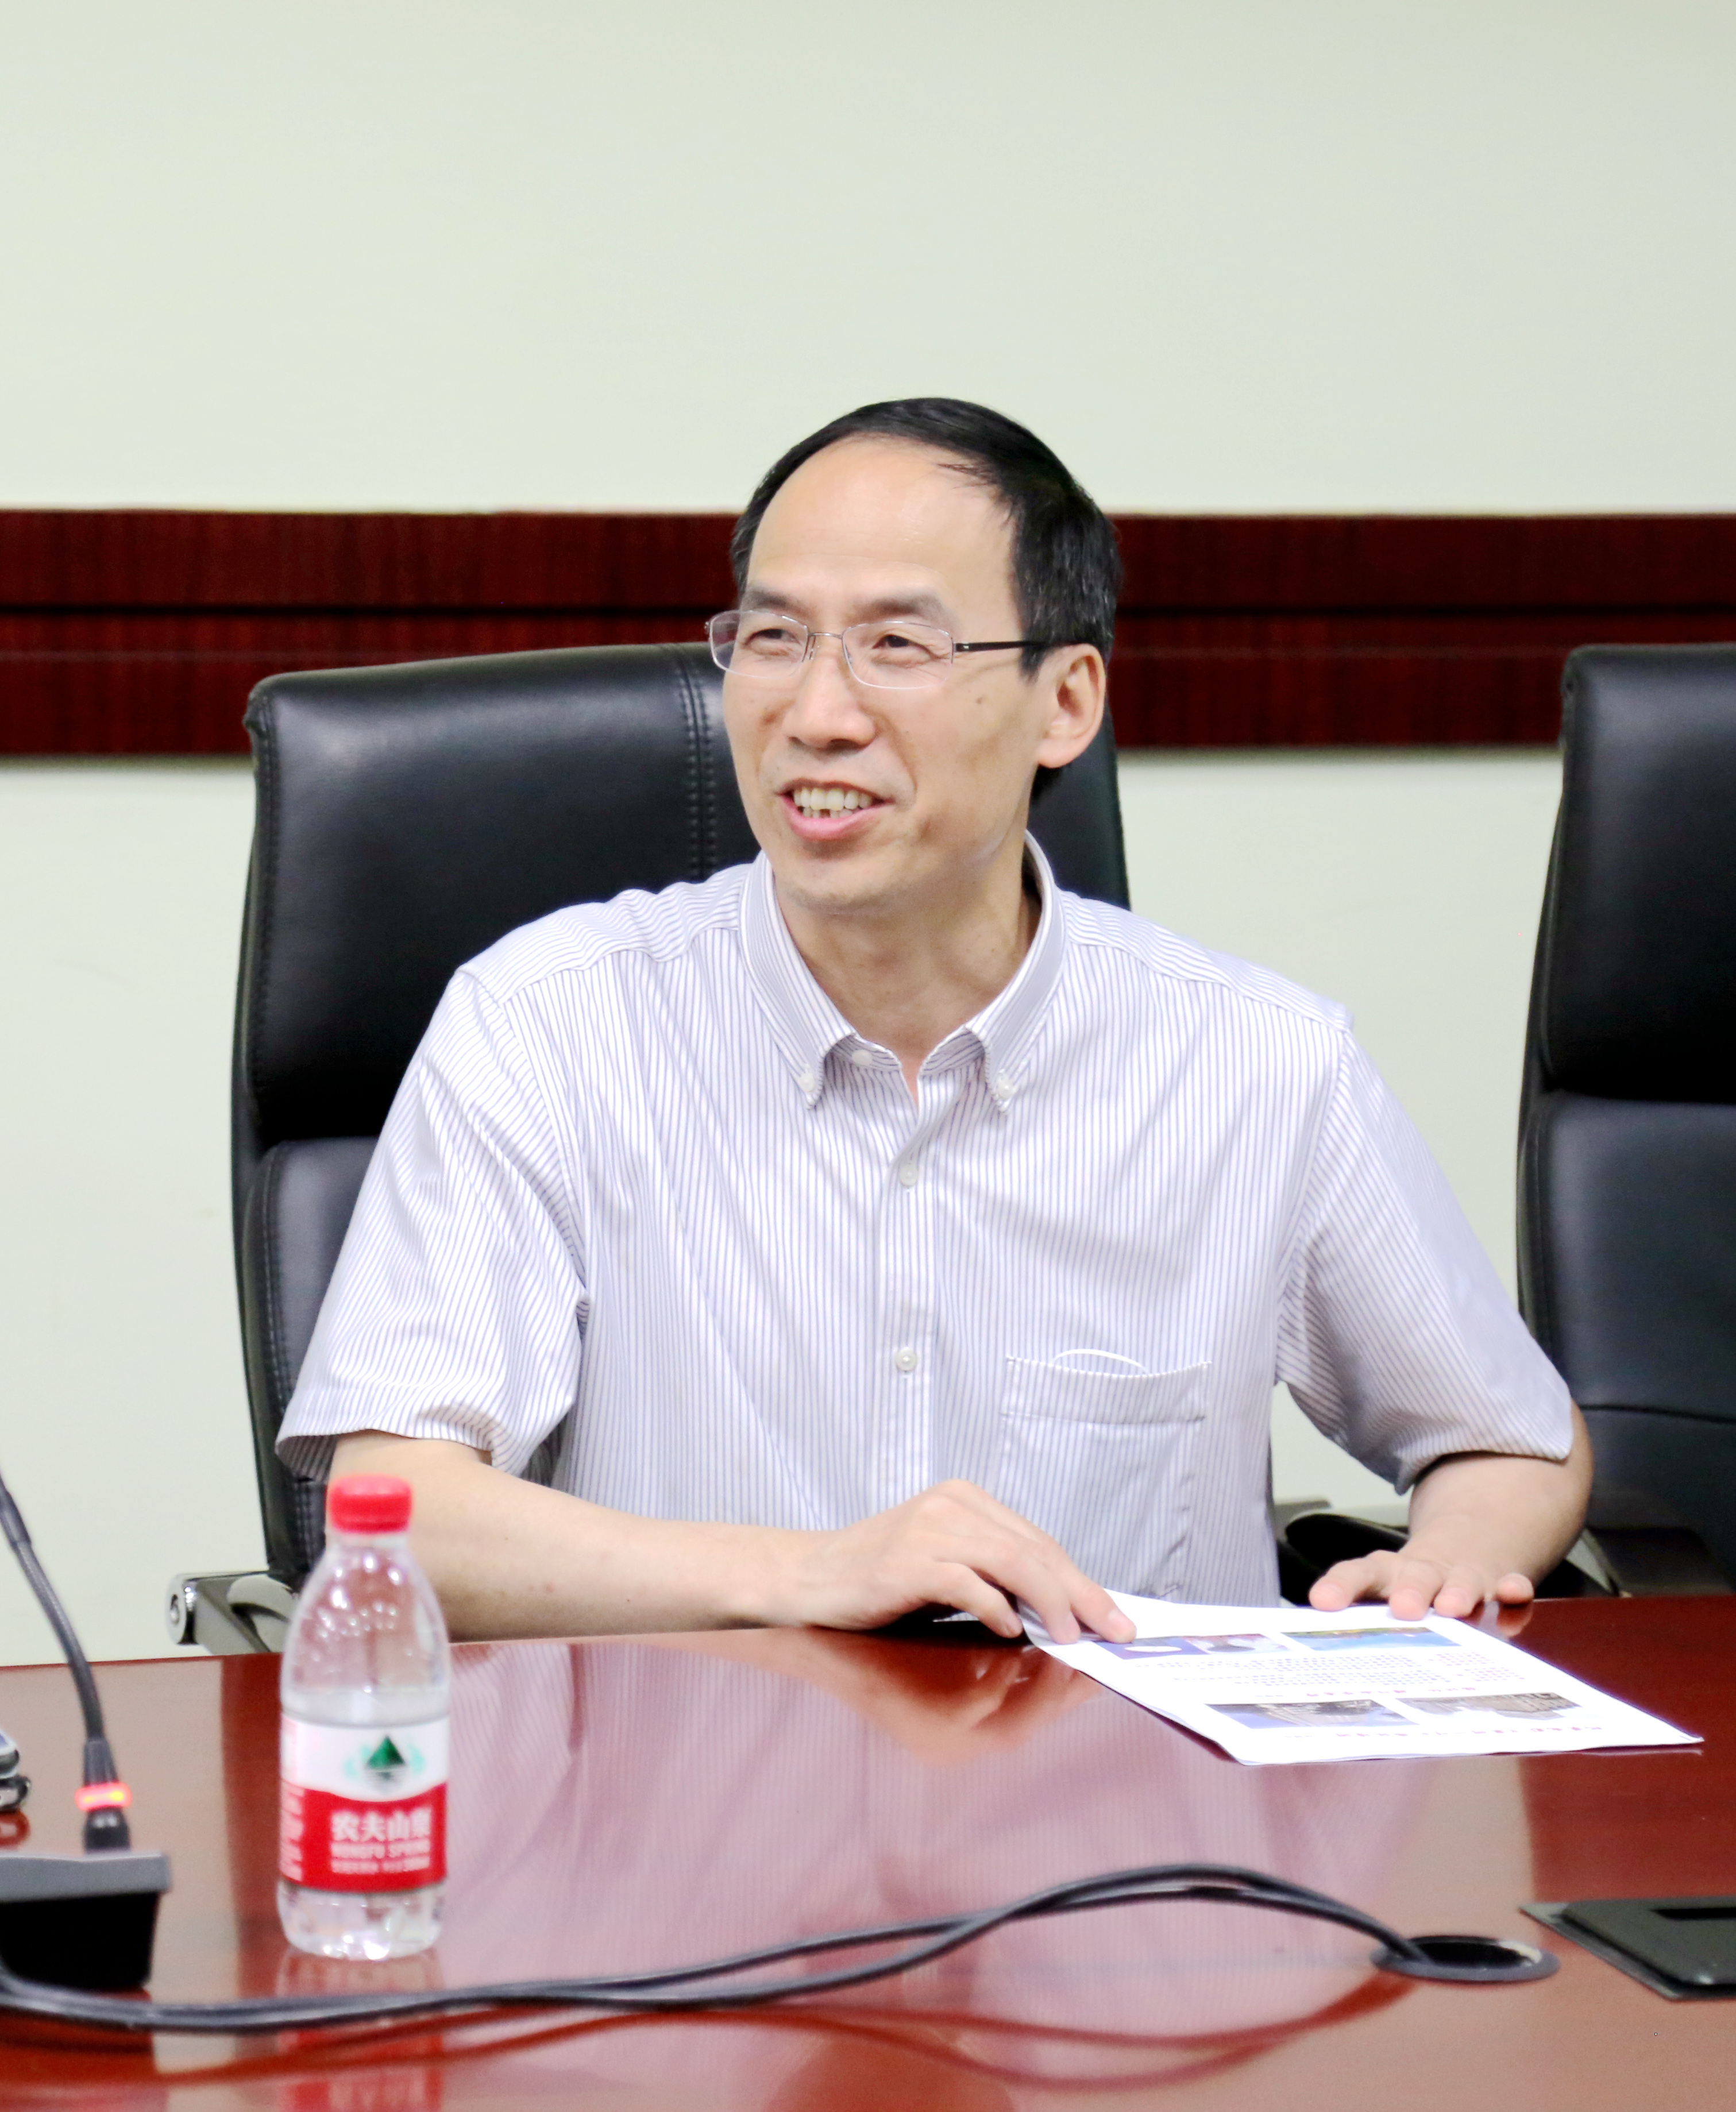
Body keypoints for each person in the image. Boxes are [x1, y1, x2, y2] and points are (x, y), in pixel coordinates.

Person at [278, 397, 1589, 1646]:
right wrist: (805, 1576)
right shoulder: (546, 1027)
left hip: (1122, 1793)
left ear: (1064, 703)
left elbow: (1507, 1440)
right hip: (692, 1782)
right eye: (774, 638)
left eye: (896, 646)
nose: (815, 716)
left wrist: (1447, 1563)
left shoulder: (1258, 1066)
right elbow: (396, 1514)